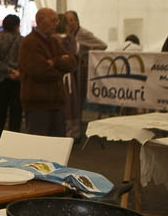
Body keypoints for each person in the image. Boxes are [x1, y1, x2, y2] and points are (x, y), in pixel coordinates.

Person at [19, 8, 77, 137]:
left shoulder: (54, 41)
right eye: (53, 20)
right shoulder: (30, 42)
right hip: (38, 104)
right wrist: (60, 64)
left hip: (56, 103)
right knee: (39, 144)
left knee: (57, 144)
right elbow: (39, 71)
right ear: (40, 21)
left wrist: (53, 62)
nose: (56, 24)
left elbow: (72, 62)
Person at [62, 10, 107, 139]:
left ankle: (77, 130)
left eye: (72, 20)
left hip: (80, 71)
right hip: (70, 71)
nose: (70, 23)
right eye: (67, 20)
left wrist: (86, 52)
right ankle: (70, 128)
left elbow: (102, 45)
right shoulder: (66, 34)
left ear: (77, 21)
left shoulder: (84, 34)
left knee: (77, 100)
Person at [0, 14, 22, 149]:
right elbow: (24, 59)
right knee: (16, 111)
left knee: (0, 111)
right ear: (16, 25)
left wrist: (7, 70)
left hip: (1, 78)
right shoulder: (21, 39)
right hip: (17, 78)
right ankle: (13, 142)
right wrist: (14, 71)